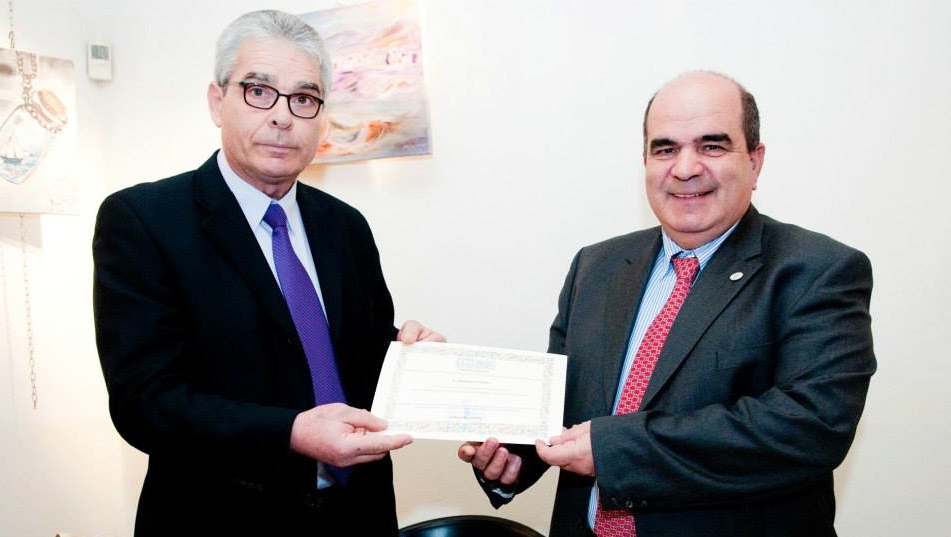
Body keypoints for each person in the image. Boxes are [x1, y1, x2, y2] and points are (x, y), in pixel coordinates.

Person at [459, 71, 875, 537]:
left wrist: (615, 448)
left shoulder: (817, 270)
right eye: (665, 149)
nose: (685, 168)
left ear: (755, 162)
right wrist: (514, 457)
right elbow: (562, 404)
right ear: (645, 162)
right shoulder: (596, 266)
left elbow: (809, 427)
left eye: (712, 146)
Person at [92, 10, 443, 537]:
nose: (282, 116)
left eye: (303, 98)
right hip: (220, 520)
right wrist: (291, 432)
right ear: (217, 101)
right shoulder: (144, 221)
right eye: (258, 91)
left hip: (356, 516)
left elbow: (352, 356)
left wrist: (409, 357)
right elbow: (145, 402)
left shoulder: (345, 226)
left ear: (321, 115)